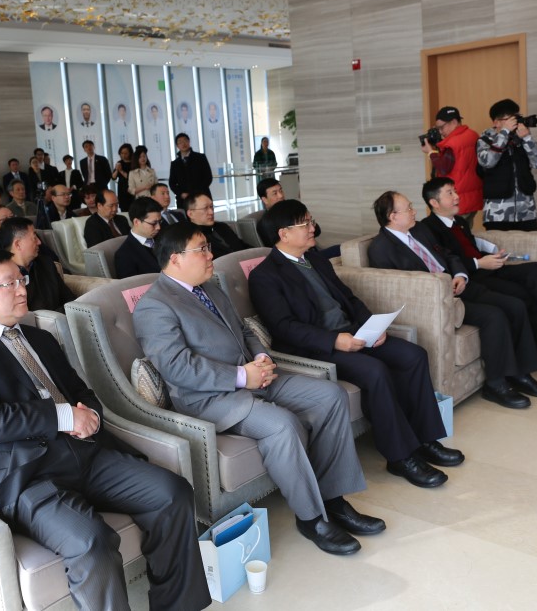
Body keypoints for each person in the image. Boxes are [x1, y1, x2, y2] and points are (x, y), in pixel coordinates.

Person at [0, 248, 209, 610]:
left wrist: (89, 415)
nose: (22, 289)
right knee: (91, 540)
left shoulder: (41, 339)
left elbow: (82, 393)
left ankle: (177, 605)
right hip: (25, 475)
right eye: (8, 284)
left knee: (173, 492)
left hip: (86, 453)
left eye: (21, 279)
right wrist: (64, 417)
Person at [134, 223, 382, 556]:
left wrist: (261, 358)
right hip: (210, 399)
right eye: (202, 249)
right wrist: (241, 376)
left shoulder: (210, 288)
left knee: (331, 396)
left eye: (209, 247)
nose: (211, 255)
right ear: (175, 258)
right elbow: (177, 367)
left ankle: (333, 500)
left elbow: (244, 331)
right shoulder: (154, 306)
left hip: (255, 376)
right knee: (282, 425)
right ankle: (311, 519)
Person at [251, 200, 464, 488]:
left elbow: (349, 299)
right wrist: (334, 340)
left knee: (413, 355)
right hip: (317, 349)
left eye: (311, 221)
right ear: (283, 233)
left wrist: (373, 326)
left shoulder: (316, 259)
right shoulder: (265, 275)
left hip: (352, 333)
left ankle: (425, 439)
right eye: (306, 223)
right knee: (375, 371)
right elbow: (284, 328)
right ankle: (400, 457)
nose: (313, 228)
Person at [367, 191, 537, 409]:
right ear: (393, 216)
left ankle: (521, 374)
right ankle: (495, 384)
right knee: (494, 316)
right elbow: (400, 289)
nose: (414, 211)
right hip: (440, 302)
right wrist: (441, 288)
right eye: (408, 208)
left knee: (516, 305)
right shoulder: (381, 249)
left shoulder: (419, 230)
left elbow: (448, 254)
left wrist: (460, 275)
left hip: (459, 286)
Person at [421, 177, 537, 381]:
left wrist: (493, 255)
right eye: (450, 193)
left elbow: (471, 247)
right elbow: (444, 263)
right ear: (434, 202)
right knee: (526, 296)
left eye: (455, 191)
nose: (457, 196)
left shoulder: (459, 222)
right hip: (473, 279)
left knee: (535, 270)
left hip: (488, 269)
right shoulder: (429, 229)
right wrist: (478, 263)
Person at [477, 99, 537, 231]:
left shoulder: (521, 139)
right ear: (496, 122)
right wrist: (504, 133)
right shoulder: (485, 140)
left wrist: (527, 138)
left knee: (529, 245)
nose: (515, 123)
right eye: (510, 120)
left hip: (526, 212)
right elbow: (488, 162)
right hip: (497, 215)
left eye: (516, 118)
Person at [0, 217, 74, 312]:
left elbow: (69, 298)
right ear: (18, 244)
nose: (39, 242)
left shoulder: (46, 263)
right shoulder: (4, 278)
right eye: (34, 237)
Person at [423, 107, 482, 226]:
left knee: (453, 234)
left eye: (441, 127)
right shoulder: (473, 135)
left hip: (456, 198)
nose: (440, 132)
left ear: (454, 122)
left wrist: (430, 152)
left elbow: (443, 168)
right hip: (472, 196)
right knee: (466, 231)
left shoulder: (452, 143)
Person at [184, 192, 250, 258]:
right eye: (205, 208)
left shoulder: (222, 227)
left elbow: (243, 246)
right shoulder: (191, 238)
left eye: (211, 207)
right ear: (190, 214)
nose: (211, 212)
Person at [114, 197, 162, 278]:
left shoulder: (162, 238)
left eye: (160, 222)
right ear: (136, 222)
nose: (158, 227)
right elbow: (130, 285)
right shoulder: (124, 255)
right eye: (153, 223)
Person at [169, 133, 212, 207]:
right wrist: (181, 193)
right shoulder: (175, 163)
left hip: (202, 196)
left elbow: (208, 177)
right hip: (184, 199)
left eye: (185, 141)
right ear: (177, 146)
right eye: (180, 142)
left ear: (189, 142)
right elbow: (172, 183)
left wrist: (197, 192)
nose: (183, 144)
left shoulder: (200, 158)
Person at [112, 143, 134, 211]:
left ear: (130, 153)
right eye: (122, 153)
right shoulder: (119, 162)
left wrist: (121, 171)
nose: (123, 155)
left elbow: (130, 177)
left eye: (126, 153)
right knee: (124, 208)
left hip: (131, 187)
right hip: (122, 188)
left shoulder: (134, 163)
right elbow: (113, 177)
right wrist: (117, 170)